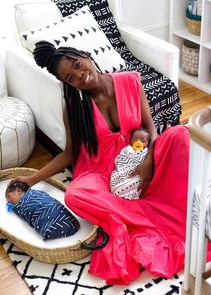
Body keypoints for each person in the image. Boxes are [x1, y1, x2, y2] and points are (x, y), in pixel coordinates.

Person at [10, 40, 191, 285]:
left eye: (77, 65)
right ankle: (143, 216)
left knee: (179, 134)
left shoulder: (130, 81)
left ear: (86, 55)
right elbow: (70, 154)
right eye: (70, 78)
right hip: (103, 173)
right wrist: (31, 179)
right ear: (67, 84)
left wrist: (148, 161)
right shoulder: (75, 107)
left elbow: (151, 129)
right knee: (75, 194)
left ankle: (164, 201)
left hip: (138, 159)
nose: (80, 76)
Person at [5, 181, 80, 240]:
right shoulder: (20, 207)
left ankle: (59, 222)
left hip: (51, 211)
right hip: (70, 223)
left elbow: (46, 200)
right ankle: (65, 223)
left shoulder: (34, 195)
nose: (8, 201)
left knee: (52, 207)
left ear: (19, 192)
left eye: (8, 197)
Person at [110, 127, 151, 200]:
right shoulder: (127, 150)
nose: (138, 142)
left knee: (140, 179)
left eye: (143, 140)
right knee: (117, 175)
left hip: (137, 174)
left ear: (148, 143)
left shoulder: (147, 153)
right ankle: (119, 187)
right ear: (130, 141)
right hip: (123, 173)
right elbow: (119, 160)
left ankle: (129, 192)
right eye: (134, 140)